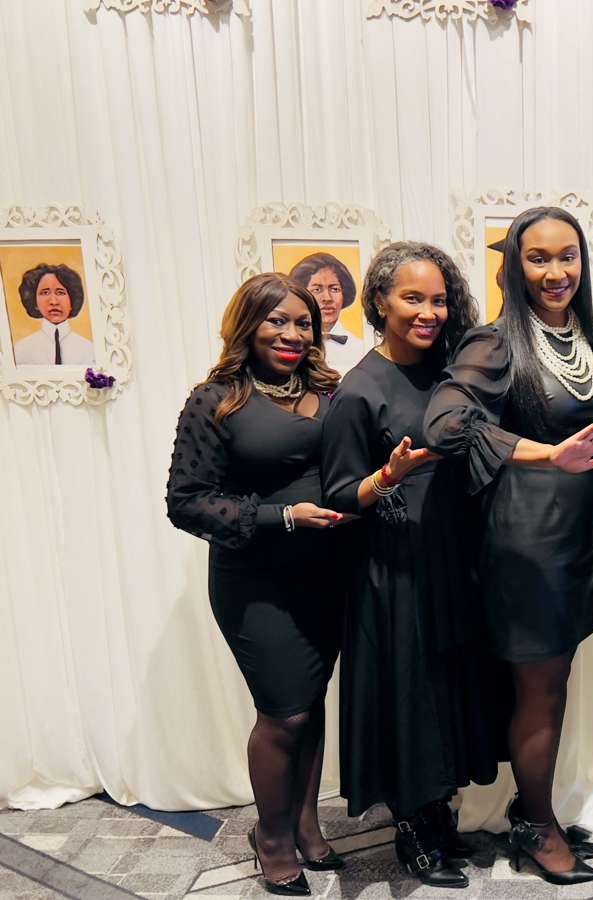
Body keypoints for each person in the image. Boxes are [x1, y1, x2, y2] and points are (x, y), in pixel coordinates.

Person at [423, 206, 593, 887]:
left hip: (576, 538)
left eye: (568, 256)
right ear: (514, 265)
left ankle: (531, 807)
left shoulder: (589, 334)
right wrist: (544, 454)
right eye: (539, 258)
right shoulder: (496, 342)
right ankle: (535, 825)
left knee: (554, 685)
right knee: (540, 691)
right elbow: (444, 422)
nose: (556, 271)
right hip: (525, 542)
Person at [321, 242, 504, 889]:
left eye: (439, 299)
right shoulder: (358, 390)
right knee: (409, 696)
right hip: (394, 571)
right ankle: (411, 828)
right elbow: (340, 495)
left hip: (453, 561)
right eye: (413, 298)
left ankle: (439, 812)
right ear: (380, 301)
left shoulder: (451, 375)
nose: (429, 311)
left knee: (448, 692)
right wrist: (388, 476)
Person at [166, 273, 346, 896]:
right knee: (285, 713)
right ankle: (270, 837)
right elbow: (187, 502)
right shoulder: (215, 400)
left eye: (303, 323)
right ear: (248, 324)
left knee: (312, 703)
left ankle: (305, 822)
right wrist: (283, 516)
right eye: (277, 321)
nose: (293, 334)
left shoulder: (329, 391)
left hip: (327, 576)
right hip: (255, 583)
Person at [289, 252, 368, 373]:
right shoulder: (291, 345)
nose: (327, 298)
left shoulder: (361, 348)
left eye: (334, 289)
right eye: (317, 289)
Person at [12, 263, 94, 365]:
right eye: (45, 293)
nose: (53, 302)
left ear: (72, 300)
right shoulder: (21, 350)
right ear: (34, 301)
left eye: (60, 292)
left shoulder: (89, 350)